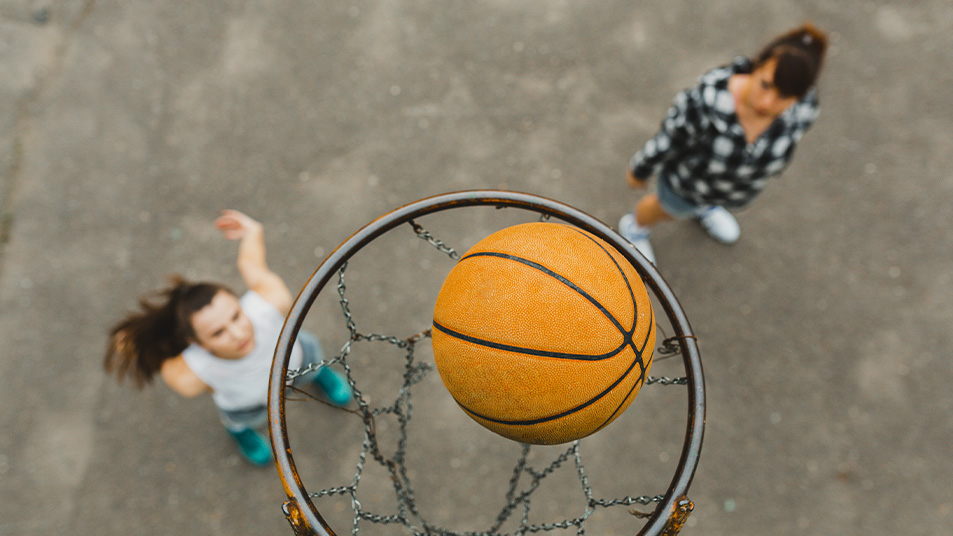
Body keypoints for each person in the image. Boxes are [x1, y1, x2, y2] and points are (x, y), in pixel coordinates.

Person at [104, 209, 352, 466]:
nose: (238, 333)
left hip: (300, 360)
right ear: (198, 344)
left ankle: (320, 375)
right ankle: (241, 432)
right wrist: (136, 345)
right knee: (241, 420)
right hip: (250, 404)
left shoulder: (267, 303)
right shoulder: (192, 373)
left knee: (312, 365)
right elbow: (162, 359)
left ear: (240, 302)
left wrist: (253, 233)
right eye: (218, 333)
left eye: (236, 315)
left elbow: (251, 266)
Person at [618, 23, 828, 264]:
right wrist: (640, 169)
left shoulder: (804, 109)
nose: (768, 103)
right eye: (765, 85)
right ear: (756, 66)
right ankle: (635, 227)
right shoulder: (708, 102)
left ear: (800, 95)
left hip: (729, 188)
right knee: (665, 208)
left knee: (702, 202)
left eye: (783, 96)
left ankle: (705, 208)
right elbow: (669, 139)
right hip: (687, 184)